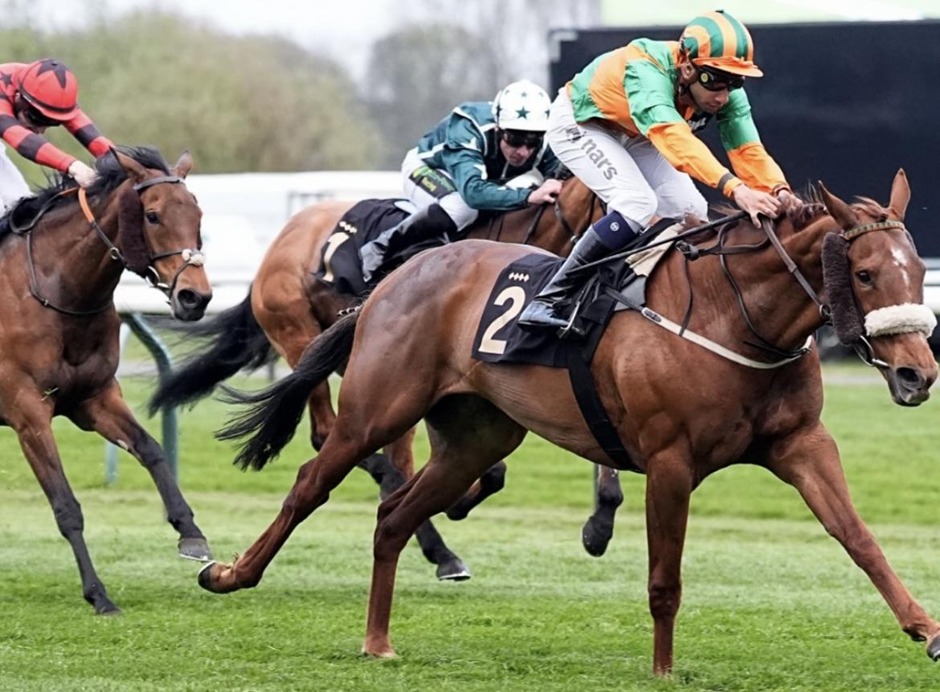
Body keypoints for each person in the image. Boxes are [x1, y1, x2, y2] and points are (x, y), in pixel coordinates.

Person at [518, 10, 794, 329]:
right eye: (714, 79)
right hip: (581, 122)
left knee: (691, 210)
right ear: (687, 67)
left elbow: (748, 150)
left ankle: (657, 299)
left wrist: (779, 190)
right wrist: (736, 189)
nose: (723, 94)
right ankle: (549, 298)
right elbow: (673, 139)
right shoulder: (646, 70)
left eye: (734, 81)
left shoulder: (727, 95)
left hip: (636, 131)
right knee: (637, 205)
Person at [359, 79, 565, 283]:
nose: (523, 152)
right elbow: (473, 193)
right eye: (515, 140)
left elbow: (560, 178)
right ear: (498, 128)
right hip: (427, 168)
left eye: (533, 142)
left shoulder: (542, 141)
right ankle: (381, 247)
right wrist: (529, 196)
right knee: (461, 207)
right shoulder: (468, 127)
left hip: (475, 180)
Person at [0, 58, 114, 212]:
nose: (40, 131)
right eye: (35, 119)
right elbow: (21, 139)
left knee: (19, 207)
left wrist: (127, 164)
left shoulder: (36, 87)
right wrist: (73, 166)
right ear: (19, 97)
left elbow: (96, 140)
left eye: (51, 123)